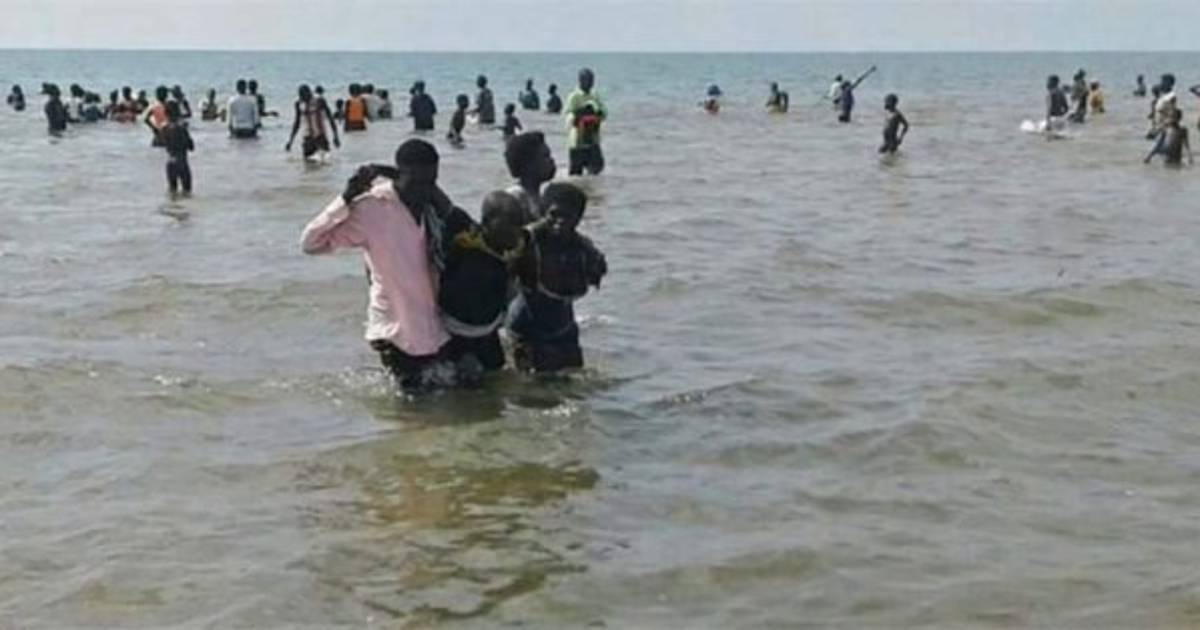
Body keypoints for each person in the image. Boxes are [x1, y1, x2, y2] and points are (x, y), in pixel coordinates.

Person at [300, 139, 460, 393]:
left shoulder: (432, 208)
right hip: (394, 329)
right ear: (402, 175)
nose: (423, 190)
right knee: (413, 405)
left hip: (433, 328)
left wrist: (394, 173)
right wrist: (345, 198)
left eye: (430, 182)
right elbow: (311, 243)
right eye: (417, 183)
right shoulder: (373, 208)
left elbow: (460, 222)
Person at [507, 182, 607, 373]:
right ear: (543, 212)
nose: (560, 222)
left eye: (568, 217)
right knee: (531, 385)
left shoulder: (583, 249)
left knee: (573, 379)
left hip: (564, 327)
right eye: (554, 215)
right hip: (526, 328)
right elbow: (505, 259)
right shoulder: (529, 243)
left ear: (578, 219)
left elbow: (598, 270)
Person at [438, 192, 527, 380]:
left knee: (496, 375)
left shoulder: (518, 246)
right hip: (454, 331)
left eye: (519, 224)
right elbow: (437, 198)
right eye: (508, 225)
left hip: (489, 330)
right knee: (467, 383)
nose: (515, 231)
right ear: (486, 222)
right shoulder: (466, 239)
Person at [504, 131, 558, 223]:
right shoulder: (515, 198)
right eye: (545, 156)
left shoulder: (537, 197)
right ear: (528, 164)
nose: (552, 160)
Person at [564, 68, 608, 176]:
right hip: (577, 141)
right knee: (576, 174)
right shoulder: (574, 96)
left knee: (597, 169)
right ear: (580, 80)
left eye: (592, 80)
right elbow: (568, 115)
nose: (590, 83)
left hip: (593, 139)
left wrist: (597, 114)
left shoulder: (595, 95)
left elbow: (605, 112)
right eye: (587, 80)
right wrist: (579, 115)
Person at [285, 84, 341, 160]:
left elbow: (330, 118)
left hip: (320, 135)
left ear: (310, 93)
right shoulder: (299, 104)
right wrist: (290, 141)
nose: (304, 98)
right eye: (302, 97)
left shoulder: (320, 101)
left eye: (306, 96)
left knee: (325, 160)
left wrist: (336, 136)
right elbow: (297, 123)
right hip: (307, 137)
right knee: (308, 162)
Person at [160, 101, 195, 196]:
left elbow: (164, 143)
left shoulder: (164, 128)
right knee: (187, 192)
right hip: (181, 162)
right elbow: (191, 146)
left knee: (172, 192)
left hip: (170, 162)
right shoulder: (181, 128)